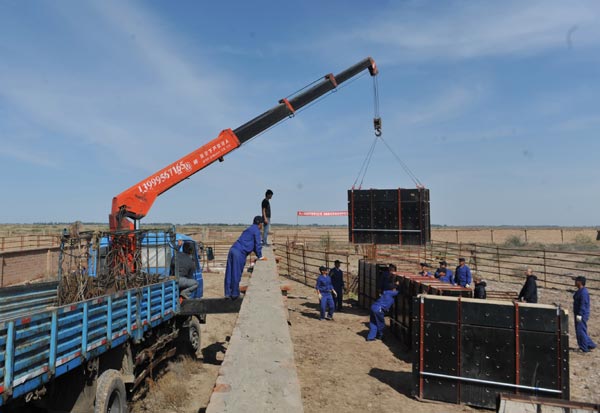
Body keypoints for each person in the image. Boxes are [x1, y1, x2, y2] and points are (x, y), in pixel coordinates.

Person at [224, 216, 265, 299]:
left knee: (229, 272)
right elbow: (257, 245)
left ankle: (228, 293)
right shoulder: (256, 231)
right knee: (236, 273)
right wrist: (260, 256)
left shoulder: (249, 229)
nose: (262, 226)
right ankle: (235, 294)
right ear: (260, 224)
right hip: (239, 253)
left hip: (233, 249)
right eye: (262, 224)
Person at [573, 276, 597, 352]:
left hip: (581, 314)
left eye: (576, 281)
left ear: (580, 282)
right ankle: (590, 344)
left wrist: (580, 314)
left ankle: (584, 348)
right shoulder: (580, 291)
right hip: (579, 313)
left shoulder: (583, 292)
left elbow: (583, 304)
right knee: (581, 330)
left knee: (580, 330)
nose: (575, 282)